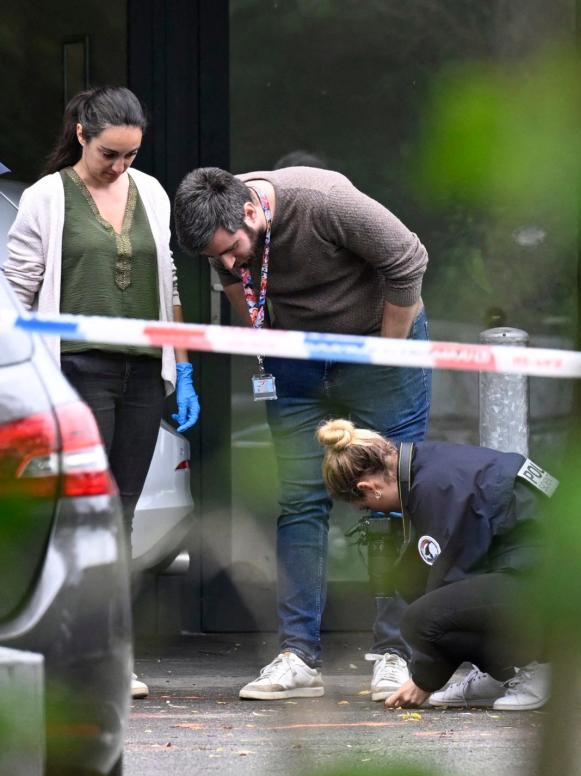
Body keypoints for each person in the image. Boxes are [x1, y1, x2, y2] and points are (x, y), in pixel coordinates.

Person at [172, 165, 431, 702]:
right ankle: (298, 656)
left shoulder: (324, 200)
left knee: (391, 493)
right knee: (299, 500)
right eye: (213, 257)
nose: (226, 261)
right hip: (296, 361)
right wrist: (265, 344)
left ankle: (396, 652)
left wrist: (387, 352)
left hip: (378, 344)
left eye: (231, 248)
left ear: (251, 211)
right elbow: (234, 280)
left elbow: (409, 259)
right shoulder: (225, 229)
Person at [4, 85, 201, 700]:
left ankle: (113, 655)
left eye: (132, 155)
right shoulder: (45, 197)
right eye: (110, 154)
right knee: (77, 514)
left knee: (121, 515)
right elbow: (15, 290)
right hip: (76, 370)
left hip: (142, 373)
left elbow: (167, 278)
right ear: (83, 134)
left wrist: (184, 365)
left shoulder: (153, 194)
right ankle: (69, 652)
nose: (120, 167)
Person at [315, 418, 550, 711]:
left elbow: (453, 585)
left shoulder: (434, 488)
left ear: (370, 487)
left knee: (421, 619)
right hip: (535, 567)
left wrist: (424, 680)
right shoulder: (425, 465)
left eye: (364, 506)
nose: (369, 512)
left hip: (561, 581)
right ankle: (499, 673)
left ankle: (537, 667)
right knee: (412, 576)